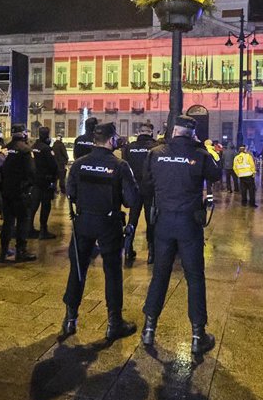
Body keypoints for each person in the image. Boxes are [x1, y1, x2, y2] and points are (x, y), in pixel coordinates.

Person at [139, 115, 221, 355]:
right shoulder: (200, 154)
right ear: (192, 133)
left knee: (159, 275)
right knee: (194, 277)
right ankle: (197, 335)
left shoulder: (156, 153)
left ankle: (149, 329)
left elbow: (147, 184)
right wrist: (200, 145)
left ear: (173, 131)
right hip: (189, 224)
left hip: (163, 222)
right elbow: (216, 175)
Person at [61, 122, 139, 340]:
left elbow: (70, 192)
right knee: (112, 272)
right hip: (108, 223)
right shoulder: (120, 165)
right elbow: (131, 199)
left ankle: (70, 319)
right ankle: (114, 322)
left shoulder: (79, 164)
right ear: (111, 140)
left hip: (83, 221)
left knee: (78, 269)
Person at [120, 121, 158, 267]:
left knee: (133, 218)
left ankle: (128, 249)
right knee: (151, 219)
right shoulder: (156, 148)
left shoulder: (129, 148)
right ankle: (152, 253)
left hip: (134, 188)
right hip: (150, 189)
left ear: (139, 132)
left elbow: (125, 168)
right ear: (151, 132)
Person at [0, 125, 37, 262]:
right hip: (21, 191)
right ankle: (21, 251)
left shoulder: (5, 148)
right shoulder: (26, 150)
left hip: (6, 190)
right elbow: (31, 171)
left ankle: (3, 250)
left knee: (8, 221)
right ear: (23, 133)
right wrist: (30, 186)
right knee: (22, 221)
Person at [30, 126, 59, 240]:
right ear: (47, 136)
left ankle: (29, 228)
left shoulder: (34, 147)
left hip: (35, 180)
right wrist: (55, 178)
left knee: (33, 205)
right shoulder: (46, 149)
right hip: (45, 181)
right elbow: (53, 165)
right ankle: (43, 230)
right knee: (46, 205)